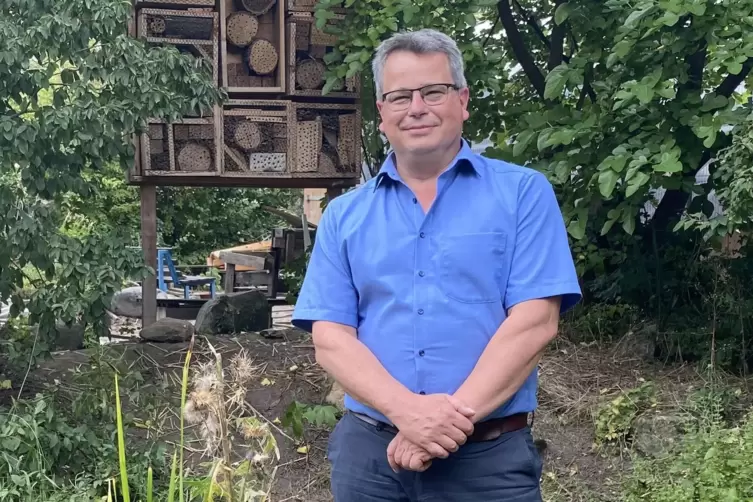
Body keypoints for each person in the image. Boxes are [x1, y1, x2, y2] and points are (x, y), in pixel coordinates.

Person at [291, 28, 582, 501]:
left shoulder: (523, 195)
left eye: (434, 91)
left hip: (488, 463)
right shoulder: (344, 215)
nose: (417, 107)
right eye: (401, 96)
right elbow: (331, 339)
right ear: (382, 113)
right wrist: (407, 412)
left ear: (463, 100)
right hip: (370, 463)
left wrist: (440, 424)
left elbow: (534, 323)